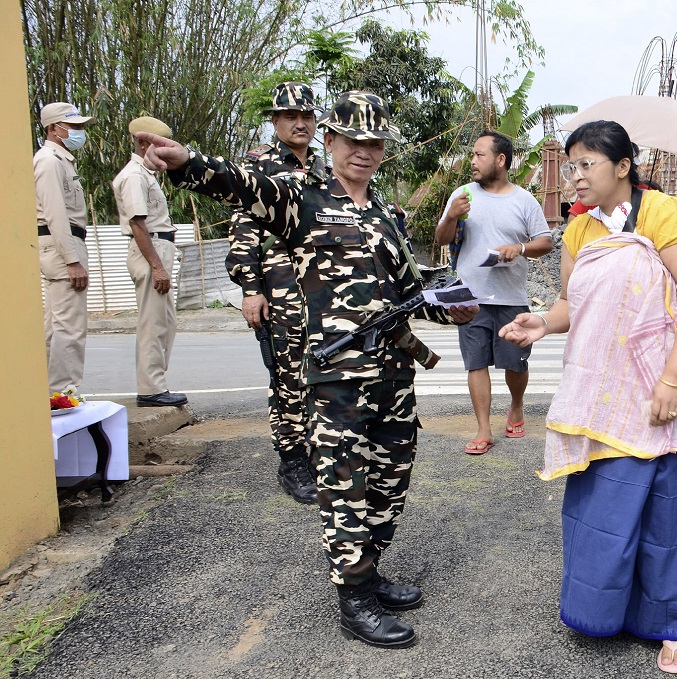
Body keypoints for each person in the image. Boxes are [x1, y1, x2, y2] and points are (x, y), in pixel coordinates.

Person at [137, 90, 477, 650]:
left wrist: (448, 307)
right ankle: (355, 598)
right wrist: (186, 162)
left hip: (394, 375)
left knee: (391, 482)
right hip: (338, 376)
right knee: (345, 487)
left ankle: (371, 567)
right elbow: (244, 185)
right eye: (352, 141)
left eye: (374, 143)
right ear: (331, 141)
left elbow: (410, 291)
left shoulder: (387, 214)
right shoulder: (302, 200)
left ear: (383, 150)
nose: (363, 152)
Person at [499, 120, 677, 673]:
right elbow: (576, 307)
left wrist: (672, 379)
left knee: (667, 513)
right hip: (604, 394)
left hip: (659, 388)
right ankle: (604, 612)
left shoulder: (667, 214)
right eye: (571, 165)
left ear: (622, 166)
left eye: (586, 164)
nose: (575, 176)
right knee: (604, 512)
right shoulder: (578, 231)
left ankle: (672, 626)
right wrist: (543, 324)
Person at [225, 82, 326, 504]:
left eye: (307, 116)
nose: (300, 123)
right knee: (287, 376)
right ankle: (291, 458)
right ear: (275, 121)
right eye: (291, 117)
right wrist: (251, 288)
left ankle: (319, 450)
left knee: (321, 372)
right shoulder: (258, 166)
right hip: (280, 287)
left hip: (323, 288)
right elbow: (243, 230)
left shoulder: (325, 168)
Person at [435, 130, 553, 454]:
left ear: (500, 160)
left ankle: (516, 405)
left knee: (515, 363)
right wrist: (451, 216)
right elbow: (442, 237)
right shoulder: (463, 195)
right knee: (476, 363)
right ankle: (483, 429)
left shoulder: (523, 200)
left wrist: (520, 247)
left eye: (479, 155)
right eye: (472, 154)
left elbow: (546, 242)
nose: (472, 161)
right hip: (469, 297)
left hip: (511, 297)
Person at [111, 116, 187, 408]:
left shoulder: (146, 174)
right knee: (153, 323)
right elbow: (138, 225)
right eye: (158, 145)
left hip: (158, 247)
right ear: (143, 143)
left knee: (165, 322)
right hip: (150, 249)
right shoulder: (133, 176)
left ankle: (156, 385)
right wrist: (157, 266)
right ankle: (150, 389)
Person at [34, 102, 98, 395]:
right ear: (53, 129)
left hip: (64, 243)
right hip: (62, 244)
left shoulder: (61, 160)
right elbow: (55, 213)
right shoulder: (49, 161)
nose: (79, 132)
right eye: (73, 127)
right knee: (69, 327)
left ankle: (51, 392)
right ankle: (63, 393)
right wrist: (71, 260)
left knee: (57, 326)